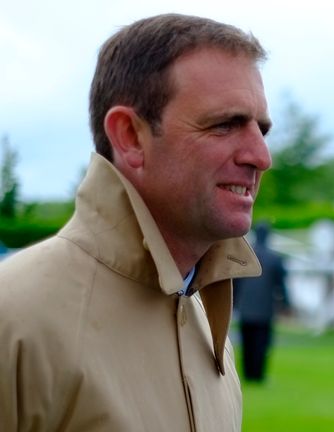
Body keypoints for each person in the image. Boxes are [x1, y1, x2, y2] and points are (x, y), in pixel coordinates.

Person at [0, 14, 271, 431]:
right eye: (225, 124)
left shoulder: (204, 321)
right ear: (129, 136)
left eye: (261, 129)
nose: (260, 156)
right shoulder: (15, 317)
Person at [234, 222, 290, 383]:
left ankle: (247, 373)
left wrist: (234, 302)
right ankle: (258, 374)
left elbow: (235, 281)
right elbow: (281, 284)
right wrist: (286, 304)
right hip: (265, 307)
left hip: (245, 306)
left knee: (247, 342)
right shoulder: (274, 258)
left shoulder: (245, 254)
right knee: (262, 342)